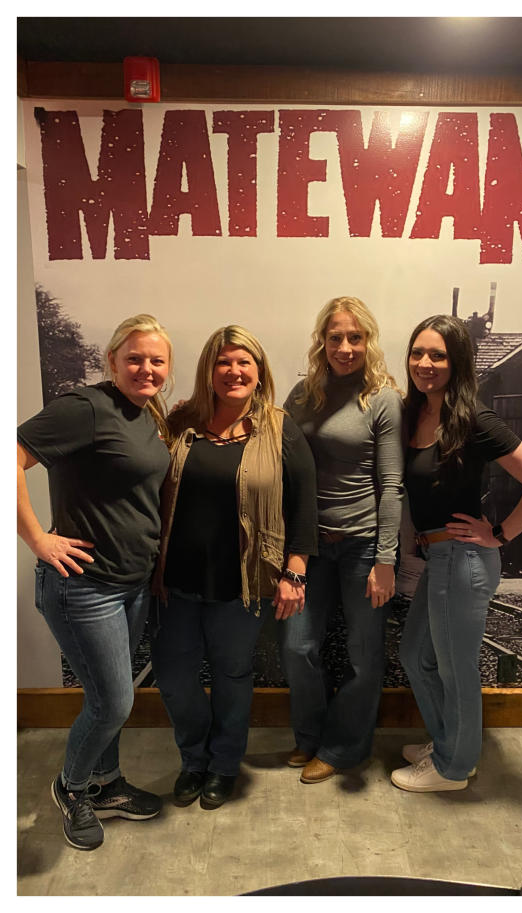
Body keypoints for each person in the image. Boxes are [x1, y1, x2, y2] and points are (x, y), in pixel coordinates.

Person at [17, 314, 173, 850]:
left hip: (131, 584)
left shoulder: (147, 413)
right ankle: (72, 787)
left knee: (109, 695)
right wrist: (38, 538)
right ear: (112, 360)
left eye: (157, 360)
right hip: (84, 588)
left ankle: (106, 784)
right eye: (135, 358)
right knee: (112, 702)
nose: (146, 369)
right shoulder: (85, 407)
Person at [391, 314, 522, 792]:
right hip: (438, 559)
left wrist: (499, 534)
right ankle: (448, 742)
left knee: (455, 669)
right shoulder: (417, 414)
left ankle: (453, 768)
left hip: (462, 559)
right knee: (415, 655)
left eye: (438, 355)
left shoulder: (473, 419)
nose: (425, 363)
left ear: (457, 362)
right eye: (418, 353)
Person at [151, 325, 318, 809]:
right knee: (174, 676)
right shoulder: (181, 422)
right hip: (177, 580)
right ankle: (193, 760)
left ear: (259, 371)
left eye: (244, 361)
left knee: (232, 675)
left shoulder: (281, 428)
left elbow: (304, 505)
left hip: (241, 582)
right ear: (209, 370)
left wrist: (295, 572)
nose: (234, 371)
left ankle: (224, 765)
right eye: (223, 361)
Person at [280, 296, 404, 783]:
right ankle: (310, 737)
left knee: (363, 654)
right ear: (322, 341)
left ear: (368, 341)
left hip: (362, 545)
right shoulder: (302, 395)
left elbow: (391, 485)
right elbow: (282, 462)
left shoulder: (382, 399)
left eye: (356, 337)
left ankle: (343, 748)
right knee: (297, 647)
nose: (346, 347)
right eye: (336, 338)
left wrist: (385, 559)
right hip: (309, 545)